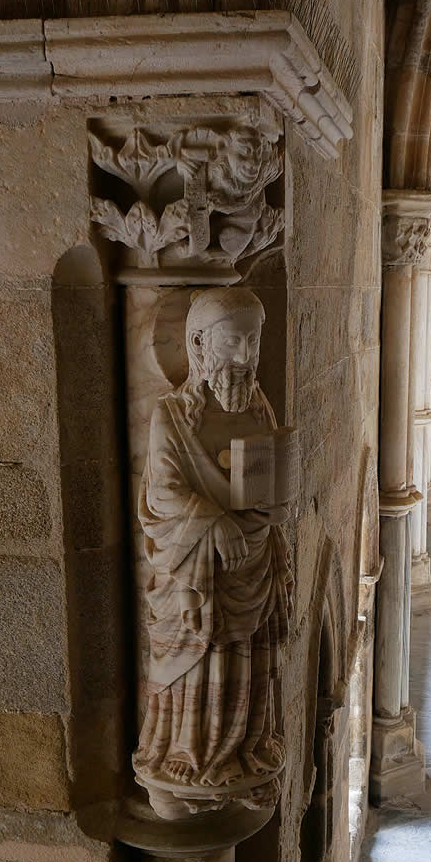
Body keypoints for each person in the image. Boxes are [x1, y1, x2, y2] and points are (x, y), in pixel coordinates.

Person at [132, 287, 294, 819]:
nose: (246, 355)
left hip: (253, 559)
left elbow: (266, 468)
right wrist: (213, 521)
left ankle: (243, 748)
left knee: (244, 656)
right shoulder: (172, 416)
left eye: (253, 340)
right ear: (200, 345)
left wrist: (273, 504)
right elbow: (161, 493)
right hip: (195, 569)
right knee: (200, 653)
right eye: (233, 341)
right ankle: (186, 751)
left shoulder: (260, 403)